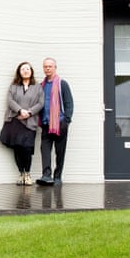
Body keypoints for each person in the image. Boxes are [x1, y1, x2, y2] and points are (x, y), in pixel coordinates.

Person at [0, 61, 44, 185]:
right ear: (19, 72)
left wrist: (29, 112)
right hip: (16, 120)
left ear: (31, 72)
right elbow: (10, 100)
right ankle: (21, 173)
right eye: (23, 69)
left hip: (30, 122)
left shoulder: (37, 87)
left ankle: (27, 174)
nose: (25, 71)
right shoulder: (14, 86)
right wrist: (20, 110)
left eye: (28, 69)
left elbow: (41, 103)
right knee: (17, 148)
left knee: (27, 148)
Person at [37, 57, 74, 186]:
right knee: (45, 150)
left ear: (55, 68)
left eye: (50, 66)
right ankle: (46, 175)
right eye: (45, 66)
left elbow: (69, 103)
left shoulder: (62, 84)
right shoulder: (41, 86)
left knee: (60, 152)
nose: (47, 68)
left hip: (60, 124)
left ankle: (57, 176)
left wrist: (66, 121)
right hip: (46, 124)